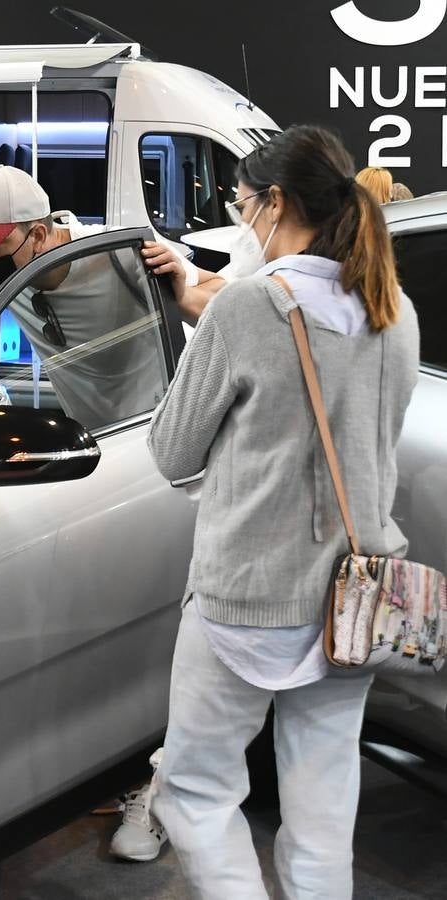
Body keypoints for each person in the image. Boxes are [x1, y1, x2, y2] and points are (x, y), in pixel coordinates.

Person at [147, 124, 417, 899]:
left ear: (273, 203)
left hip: (246, 596)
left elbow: (172, 451)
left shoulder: (246, 310)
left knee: (195, 792)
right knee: (325, 809)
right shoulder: (393, 310)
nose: (241, 220)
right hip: (356, 601)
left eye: (240, 204)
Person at [0, 166, 225, 430]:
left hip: (170, 428)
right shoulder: (10, 259)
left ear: (40, 236)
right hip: (102, 444)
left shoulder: (122, 254)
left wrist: (182, 295)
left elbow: (228, 297)